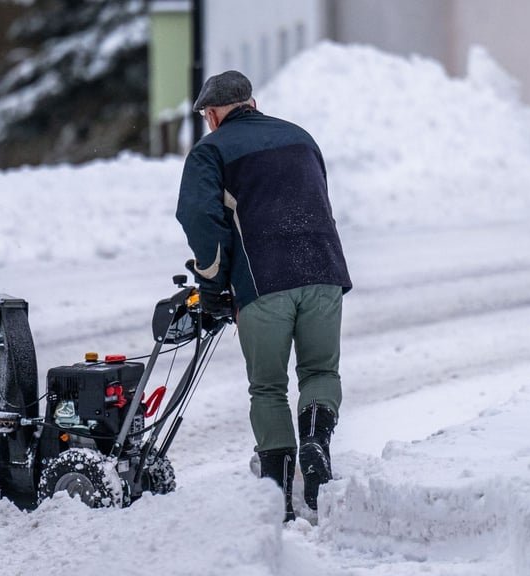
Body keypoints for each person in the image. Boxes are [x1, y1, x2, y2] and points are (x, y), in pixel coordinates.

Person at [176, 70, 351, 521]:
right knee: (320, 371)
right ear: (251, 103)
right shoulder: (301, 137)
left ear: (213, 114)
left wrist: (213, 286)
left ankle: (279, 496)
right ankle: (315, 442)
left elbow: (201, 220)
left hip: (263, 282)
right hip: (325, 272)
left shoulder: (210, 151)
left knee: (268, 386)